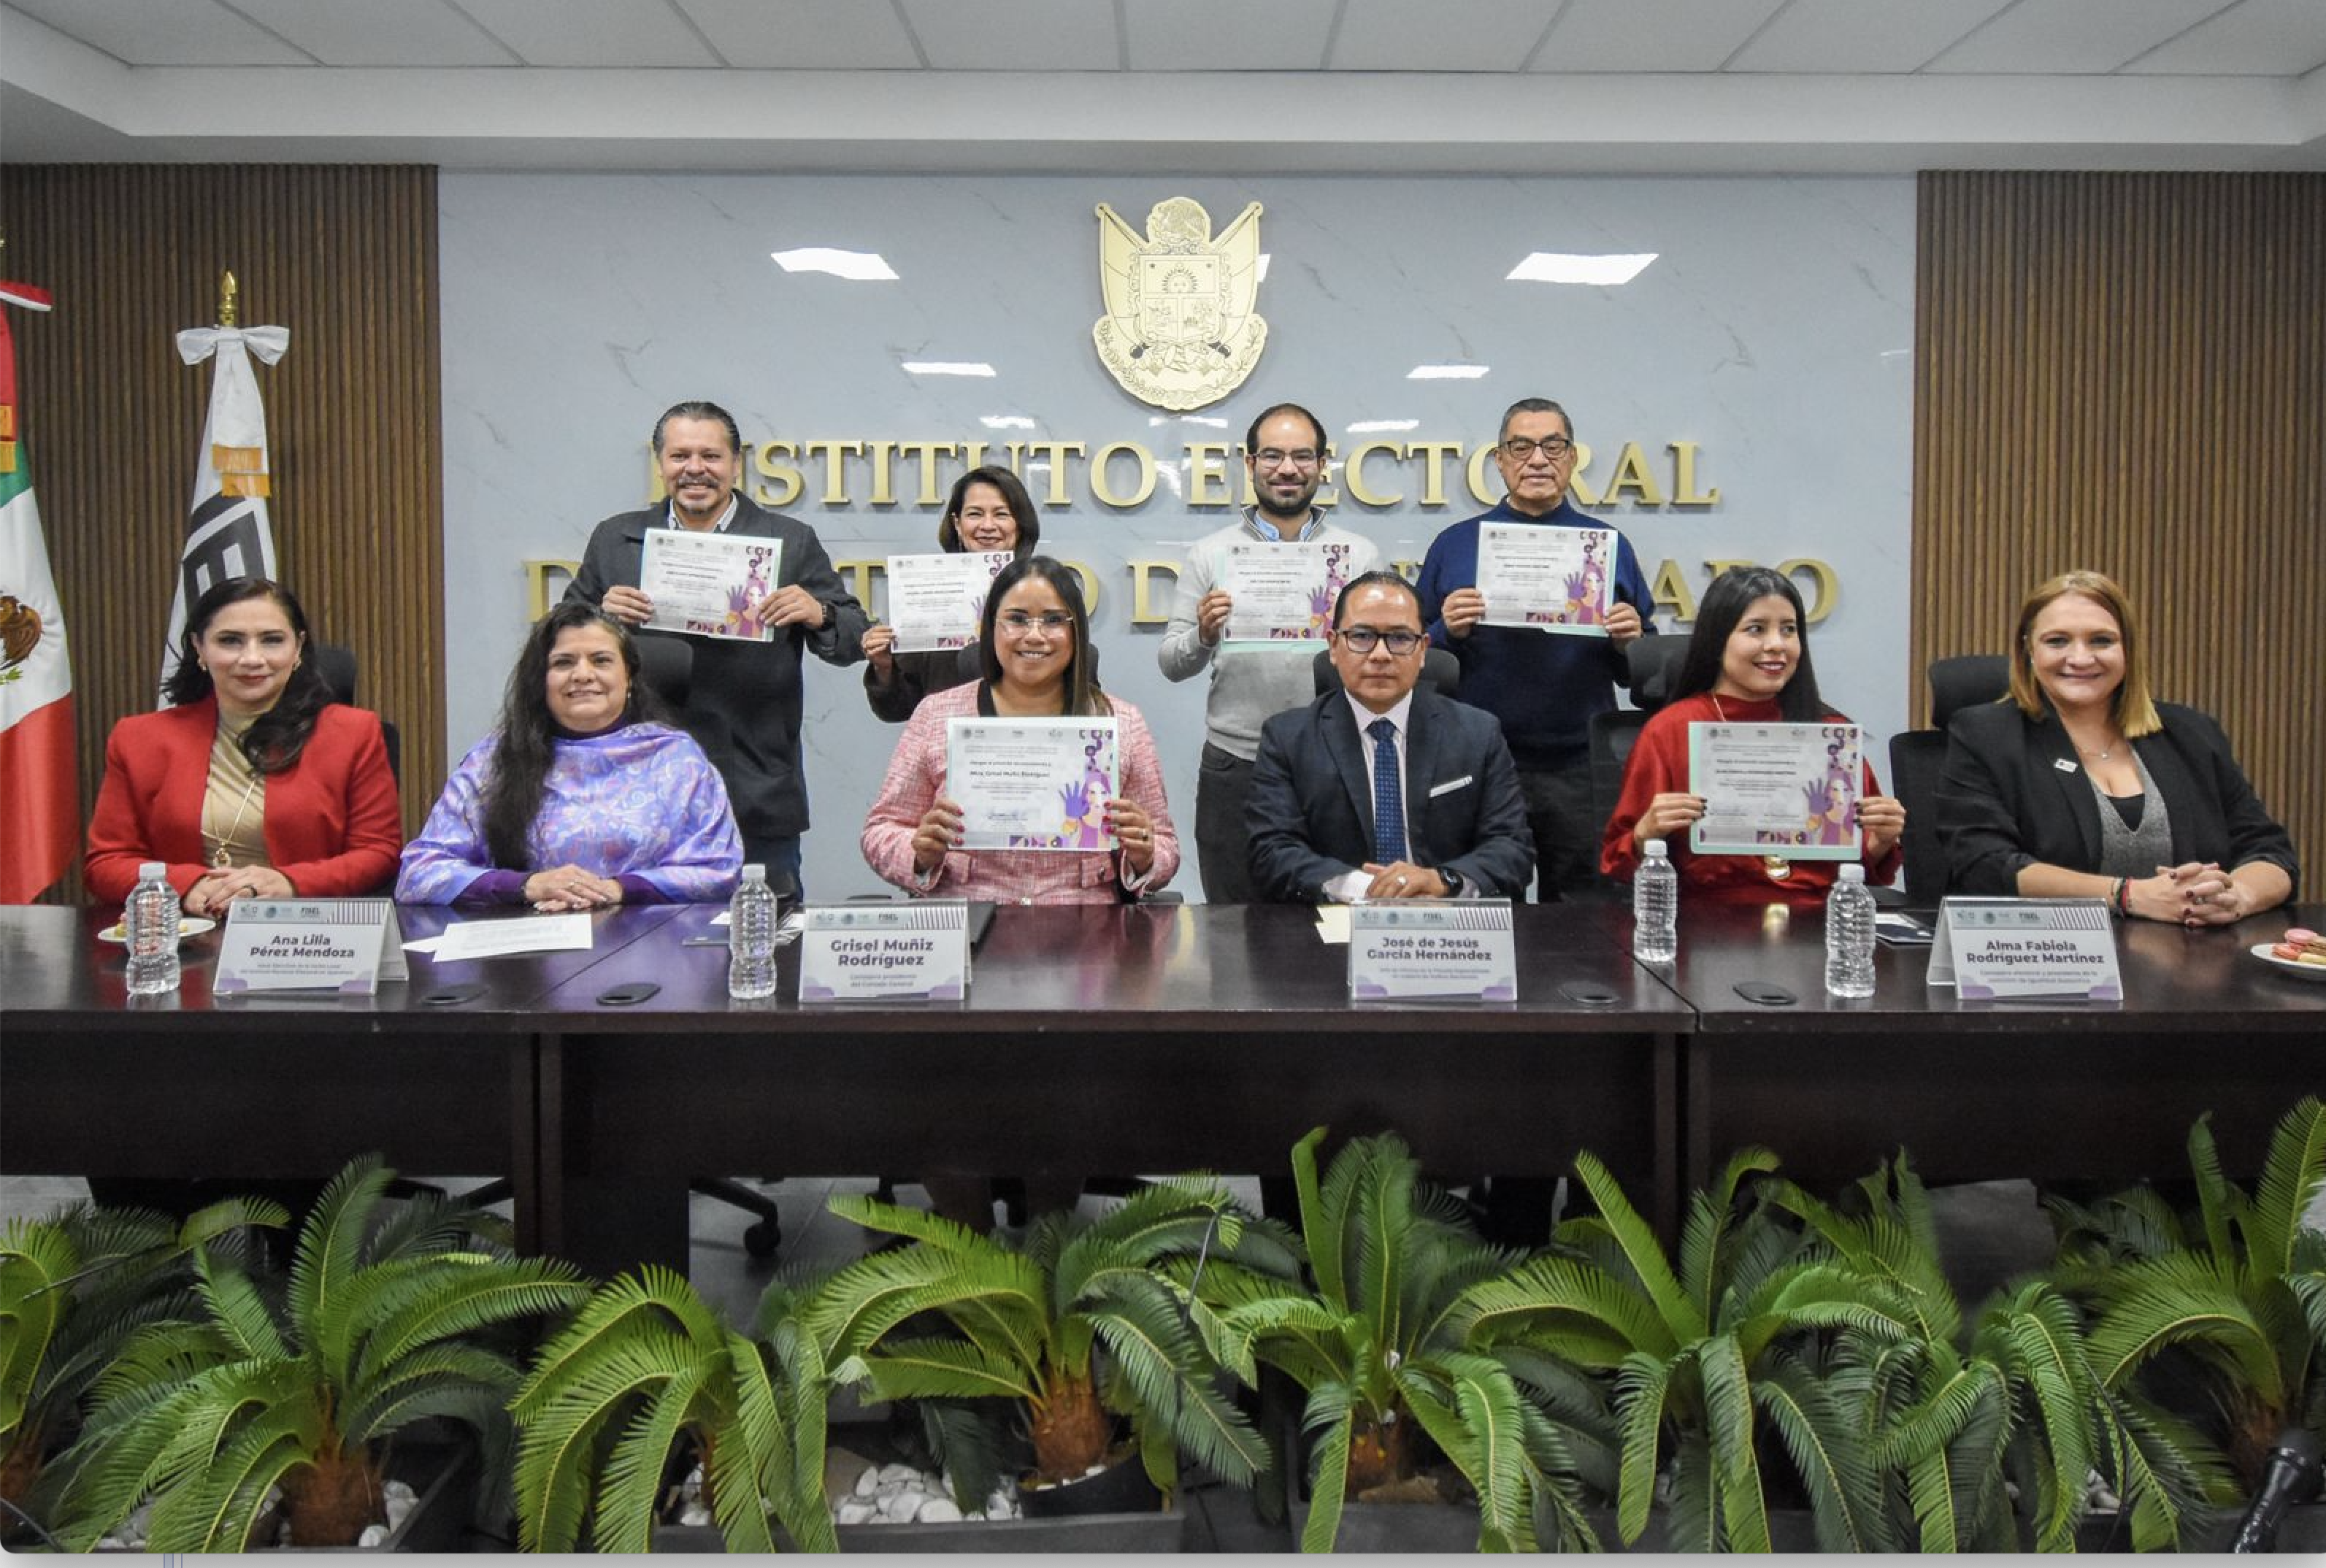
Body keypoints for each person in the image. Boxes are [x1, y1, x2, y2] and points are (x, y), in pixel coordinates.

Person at [567, 399, 866, 893]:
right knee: (639, 933)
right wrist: (599, 614)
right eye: (680, 456)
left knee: (765, 931)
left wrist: (820, 613)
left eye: (710, 456)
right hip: (636, 789)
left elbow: (855, 638)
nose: (695, 469)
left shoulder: (789, 540)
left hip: (755, 786)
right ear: (660, 463)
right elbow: (558, 642)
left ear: (736, 463)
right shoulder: (615, 540)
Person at [1936, 569, 2295, 923]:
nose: (2080, 658)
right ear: (2029, 649)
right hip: (2052, 952)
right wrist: (2128, 895)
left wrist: (2237, 896)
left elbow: (2271, 852)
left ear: (2128, 649)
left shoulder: (2192, 734)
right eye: (2057, 641)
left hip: (2196, 951)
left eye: (2101, 641)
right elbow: (1984, 864)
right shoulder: (1987, 736)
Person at [1416, 397, 1653, 896]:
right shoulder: (1455, 544)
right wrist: (1447, 630)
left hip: (1579, 763)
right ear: (1500, 460)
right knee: (1482, 903)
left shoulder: (1606, 545)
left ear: (1573, 457)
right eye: (1521, 447)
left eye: (1553, 446)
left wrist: (1629, 640)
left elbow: (1640, 673)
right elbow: (1413, 657)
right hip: (1478, 761)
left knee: (1583, 912)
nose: (1538, 459)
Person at [1159, 401, 1381, 902]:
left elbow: (1388, 661)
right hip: (1236, 764)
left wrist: (1357, 640)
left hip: (1338, 762)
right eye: (1273, 455)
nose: (1287, 469)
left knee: (1334, 918)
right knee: (1231, 921)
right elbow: (1172, 663)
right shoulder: (1211, 553)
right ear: (1251, 462)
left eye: (1302, 456)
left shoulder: (1358, 556)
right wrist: (1204, 634)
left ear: (1322, 464)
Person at [862, 555, 1176, 903]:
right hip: (969, 915)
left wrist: (1145, 854)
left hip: (1084, 920)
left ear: (1076, 632)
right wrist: (918, 852)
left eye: (1054, 620)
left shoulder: (1121, 721)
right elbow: (881, 830)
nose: (1035, 636)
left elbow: (1164, 844)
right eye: (1017, 619)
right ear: (991, 627)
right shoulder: (937, 714)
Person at [86, 576, 401, 912]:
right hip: (186, 930)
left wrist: (290, 883)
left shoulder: (353, 733)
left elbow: (379, 853)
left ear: (298, 648)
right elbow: (106, 863)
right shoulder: (138, 739)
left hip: (303, 931)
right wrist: (187, 885)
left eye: (271, 640)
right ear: (199, 648)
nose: (252, 658)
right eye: (230, 641)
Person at [398, 603, 741, 907]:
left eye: (601, 661)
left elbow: (719, 869)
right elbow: (420, 873)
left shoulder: (676, 758)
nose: (583, 675)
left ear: (629, 677)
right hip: (527, 940)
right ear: (541, 681)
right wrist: (528, 886)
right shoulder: (493, 760)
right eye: (563, 663)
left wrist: (616, 889)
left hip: (649, 935)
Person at [1600, 565, 1904, 906]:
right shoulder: (1670, 730)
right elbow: (1617, 863)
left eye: (1789, 630)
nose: (1776, 645)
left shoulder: (1830, 736)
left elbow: (1858, 869)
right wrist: (1647, 833)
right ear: (1717, 641)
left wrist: (1881, 841)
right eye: (1756, 629)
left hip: (1819, 920)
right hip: (1704, 921)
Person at [1247, 571, 1535, 903]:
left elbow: (1512, 847)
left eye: (1400, 638)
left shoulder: (1478, 733)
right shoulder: (1287, 739)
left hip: (1446, 917)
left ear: (1423, 650)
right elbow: (1271, 852)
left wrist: (1441, 881)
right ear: (1333, 646)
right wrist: (1366, 887)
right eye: (1362, 636)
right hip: (1337, 918)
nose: (1381, 654)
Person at [860, 465, 1059, 722]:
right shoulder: (929, 591)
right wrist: (884, 666)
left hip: (1031, 738)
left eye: (1001, 514)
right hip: (945, 739)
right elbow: (898, 709)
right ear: (957, 524)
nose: (988, 526)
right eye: (975, 514)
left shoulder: (1049, 590)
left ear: (1019, 525)